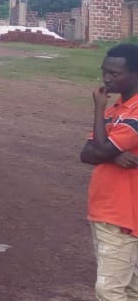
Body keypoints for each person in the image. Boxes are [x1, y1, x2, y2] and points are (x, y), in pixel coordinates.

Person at [79, 43, 138, 300]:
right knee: (130, 288)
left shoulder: (134, 112)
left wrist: (98, 108)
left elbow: (100, 150)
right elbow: (86, 153)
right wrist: (114, 156)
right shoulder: (117, 110)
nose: (107, 78)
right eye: (105, 72)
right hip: (109, 210)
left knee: (110, 290)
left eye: (115, 74)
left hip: (122, 214)